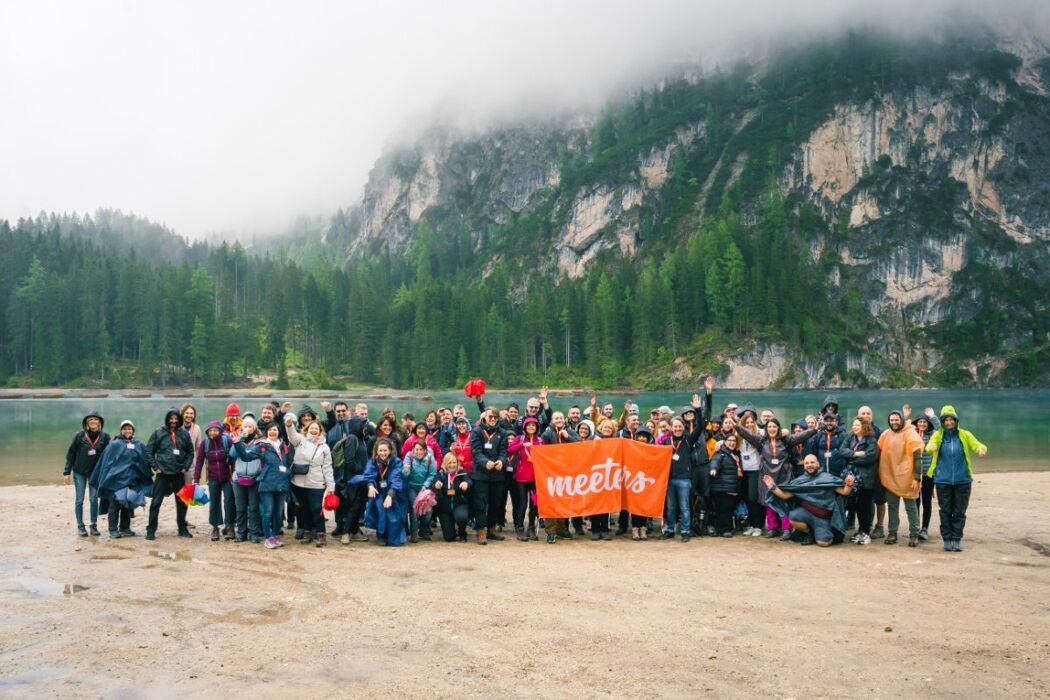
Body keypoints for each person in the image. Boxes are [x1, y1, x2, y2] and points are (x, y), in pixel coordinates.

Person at [736, 415, 817, 540]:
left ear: (778, 428)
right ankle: (773, 528)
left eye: (774, 426)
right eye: (769, 426)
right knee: (769, 503)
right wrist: (736, 425)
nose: (772, 429)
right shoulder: (761, 441)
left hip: (784, 476)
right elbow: (747, 434)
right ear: (766, 428)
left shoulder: (786, 440)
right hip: (767, 477)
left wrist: (814, 430)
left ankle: (786, 529)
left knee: (784, 503)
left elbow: (801, 436)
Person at [925, 405, 987, 552]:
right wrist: (931, 446)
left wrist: (981, 449)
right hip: (942, 480)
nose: (948, 422)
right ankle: (947, 539)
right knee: (945, 510)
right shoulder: (938, 435)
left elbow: (976, 444)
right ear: (942, 421)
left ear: (955, 420)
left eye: (951, 419)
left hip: (963, 480)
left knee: (959, 511)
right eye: (945, 420)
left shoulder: (964, 434)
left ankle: (956, 538)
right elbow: (928, 447)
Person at [765, 454, 856, 547]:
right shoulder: (800, 481)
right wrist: (772, 486)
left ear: (818, 464)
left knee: (823, 543)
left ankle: (824, 531)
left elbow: (845, 492)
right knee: (792, 516)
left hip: (824, 519)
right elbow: (784, 496)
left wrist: (849, 485)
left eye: (812, 462)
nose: (809, 465)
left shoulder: (827, 478)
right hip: (806, 515)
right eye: (806, 463)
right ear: (804, 466)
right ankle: (810, 533)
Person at [231, 423, 290, 549]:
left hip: (281, 483)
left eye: (275, 429)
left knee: (278, 513)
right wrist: (237, 443)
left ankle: (275, 537)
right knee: (268, 512)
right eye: (270, 430)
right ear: (267, 432)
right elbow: (246, 457)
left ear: (279, 432)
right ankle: (268, 538)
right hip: (267, 483)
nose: (272, 432)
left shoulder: (284, 446)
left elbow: (288, 463)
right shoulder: (262, 446)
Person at [92, 420, 152, 538]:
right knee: (115, 505)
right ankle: (113, 529)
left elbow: (145, 459)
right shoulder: (114, 444)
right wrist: (106, 478)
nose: (127, 431)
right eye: (125, 429)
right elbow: (106, 463)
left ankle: (125, 528)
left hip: (131, 480)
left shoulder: (138, 444)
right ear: (121, 430)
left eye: (129, 429)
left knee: (127, 505)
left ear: (133, 430)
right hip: (116, 481)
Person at [145, 407, 194, 540]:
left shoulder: (184, 434)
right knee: (156, 502)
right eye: (171, 418)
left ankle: (182, 529)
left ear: (179, 420)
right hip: (163, 473)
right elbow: (149, 451)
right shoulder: (158, 432)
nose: (173, 421)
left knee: (182, 503)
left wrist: (185, 466)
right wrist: (155, 467)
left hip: (178, 473)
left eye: (176, 419)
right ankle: (151, 530)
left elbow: (190, 451)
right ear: (167, 419)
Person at [285, 415, 335, 547]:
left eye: (316, 428)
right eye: (311, 428)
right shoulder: (301, 440)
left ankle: (321, 535)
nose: (313, 430)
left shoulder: (325, 447)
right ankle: (307, 533)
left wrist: (330, 486)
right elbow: (292, 436)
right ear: (307, 430)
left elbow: (328, 467)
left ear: (320, 431)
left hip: (316, 482)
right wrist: (289, 426)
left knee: (316, 508)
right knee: (304, 508)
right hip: (299, 481)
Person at [877, 410, 925, 547]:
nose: (894, 422)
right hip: (891, 476)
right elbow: (878, 451)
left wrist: (917, 477)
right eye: (891, 420)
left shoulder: (910, 433)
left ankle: (914, 534)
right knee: (892, 506)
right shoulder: (886, 434)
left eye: (896, 420)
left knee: (911, 507)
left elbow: (917, 457)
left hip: (907, 477)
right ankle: (892, 533)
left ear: (901, 420)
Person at [661, 395, 705, 542]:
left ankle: (686, 531)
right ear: (671, 428)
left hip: (684, 479)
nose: (678, 428)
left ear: (683, 427)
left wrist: (698, 409)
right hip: (669, 478)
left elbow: (700, 428)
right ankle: (670, 530)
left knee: (685, 507)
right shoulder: (667, 441)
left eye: (680, 426)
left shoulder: (688, 440)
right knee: (671, 507)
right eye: (675, 426)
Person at [349, 438, 407, 547]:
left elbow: (396, 479)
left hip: (393, 491)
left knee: (394, 515)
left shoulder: (396, 461)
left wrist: (390, 495)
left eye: (385, 450)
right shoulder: (373, 461)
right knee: (380, 511)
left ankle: (394, 536)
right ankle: (381, 535)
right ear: (376, 451)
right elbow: (368, 475)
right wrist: (370, 486)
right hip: (378, 490)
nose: (382, 453)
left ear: (390, 450)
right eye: (380, 450)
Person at [64, 411, 110, 537]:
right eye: (90, 420)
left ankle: (93, 526)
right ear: (86, 423)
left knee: (94, 499)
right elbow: (71, 454)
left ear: (99, 422)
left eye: (95, 419)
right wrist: (66, 472)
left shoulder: (105, 437)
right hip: (79, 472)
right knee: (79, 500)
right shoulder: (79, 436)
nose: (93, 422)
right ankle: (80, 526)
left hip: (95, 474)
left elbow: (109, 456)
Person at [470, 408, 509, 545]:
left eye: (495, 417)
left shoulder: (502, 433)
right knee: (481, 503)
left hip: (497, 475)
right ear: (484, 417)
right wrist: (485, 462)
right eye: (490, 416)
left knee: (496, 503)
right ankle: (481, 530)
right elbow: (475, 451)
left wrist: (502, 461)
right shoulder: (476, 431)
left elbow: (504, 452)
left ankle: (492, 529)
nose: (492, 419)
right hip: (481, 474)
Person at [540, 411, 581, 542]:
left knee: (565, 500)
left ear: (564, 419)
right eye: (556, 418)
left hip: (567, 472)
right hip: (551, 473)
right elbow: (541, 452)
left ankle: (562, 528)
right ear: (552, 420)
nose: (559, 420)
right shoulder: (547, 434)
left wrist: (567, 436)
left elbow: (581, 445)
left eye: (561, 418)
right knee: (552, 502)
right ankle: (551, 531)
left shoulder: (570, 431)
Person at [193, 420, 236, 541]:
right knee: (214, 503)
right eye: (211, 430)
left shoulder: (227, 441)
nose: (213, 433)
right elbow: (199, 462)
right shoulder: (205, 444)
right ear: (208, 432)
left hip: (227, 478)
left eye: (216, 430)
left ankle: (230, 527)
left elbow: (233, 460)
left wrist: (234, 475)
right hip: (212, 478)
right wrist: (196, 478)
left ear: (220, 431)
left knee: (229, 502)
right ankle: (215, 528)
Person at [839, 417, 879, 545]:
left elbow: (870, 457)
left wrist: (852, 458)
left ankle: (865, 532)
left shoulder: (871, 440)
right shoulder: (850, 437)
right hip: (851, 476)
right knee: (854, 505)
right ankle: (859, 531)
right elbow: (842, 451)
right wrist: (857, 454)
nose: (855, 427)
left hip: (866, 478)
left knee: (864, 506)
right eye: (854, 425)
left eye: (857, 425)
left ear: (864, 426)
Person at [906, 405, 940, 541]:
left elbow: (941, 429)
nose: (922, 424)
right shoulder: (912, 434)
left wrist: (933, 416)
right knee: (915, 501)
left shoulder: (933, 436)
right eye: (919, 421)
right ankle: (916, 526)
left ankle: (924, 528)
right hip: (914, 474)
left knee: (926, 502)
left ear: (928, 424)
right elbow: (902, 427)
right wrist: (906, 416)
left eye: (924, 422)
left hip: (928, 474)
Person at [507, 416, 543, 541]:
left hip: (535, 479)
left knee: (534, 504)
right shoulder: (519, 439)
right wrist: (522, 445)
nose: (531, 427)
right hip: (521, 478)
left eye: (533, 425)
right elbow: (509, 450)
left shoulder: (540, 441)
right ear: (525, 428)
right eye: (529, 426)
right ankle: (520, 527)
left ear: (537, 427)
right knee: (522, 503)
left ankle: (531, 527)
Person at [230, 416, 263, 543]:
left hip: (255, 478)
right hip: (238, 479)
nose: (247, 428)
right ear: (242, 427)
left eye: (250, 426)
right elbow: (232, 454)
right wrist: (239, 440)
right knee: (240, 507)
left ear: (254, 429)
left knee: (254, 507)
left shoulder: (259, 442)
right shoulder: (237, 439)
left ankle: (254, 533)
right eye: (245, 426)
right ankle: (241, 532)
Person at [402, 439, 438, 543]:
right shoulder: (410, 457)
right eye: (416, 450)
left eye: (421, 450)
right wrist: (406, 471)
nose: (419, 452)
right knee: (414, 509)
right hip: (412, 487)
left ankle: (424, 530)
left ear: (425, 450)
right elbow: (404, 475)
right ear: (413, 450)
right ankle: (414, 532)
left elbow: (432, 474)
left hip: (424, 488)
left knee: (428, 510)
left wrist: (425, 485)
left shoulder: (430, 459)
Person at [708, 432, 743, 537]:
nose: (732, 443)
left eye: (734, 441)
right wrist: (713, 469)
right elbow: (715, 461)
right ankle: (724, 529)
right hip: (721, 486)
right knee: (723, 508)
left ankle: (724, 528)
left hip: (731, 485)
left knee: (728, 508)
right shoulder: (720, 452)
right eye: (729, 440)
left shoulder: (735, 453)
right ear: (725, 442)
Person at [433, 452, 471, 542]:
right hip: (444, 508)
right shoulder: (441, 474)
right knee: (449, 537)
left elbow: (469, 481)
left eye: (454, 462)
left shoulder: (462, 472)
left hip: (459, 504)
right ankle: (452, 530)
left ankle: (462, 532)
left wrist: (466, 483)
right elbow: (434, 484)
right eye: (449, 463)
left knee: (461, 517)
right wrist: (436, 485)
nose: (452, 465)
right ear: (445, 464)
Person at [180, 403, 203, 487]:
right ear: (182, 414)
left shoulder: (197, 428)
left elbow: (198, 448)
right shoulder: (177, 428)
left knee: (188, 488)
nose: (189, 415)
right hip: (177, 463)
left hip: (191, 464)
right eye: (187, 413)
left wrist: (198, 465)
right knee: (178, 490)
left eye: (191, 413)